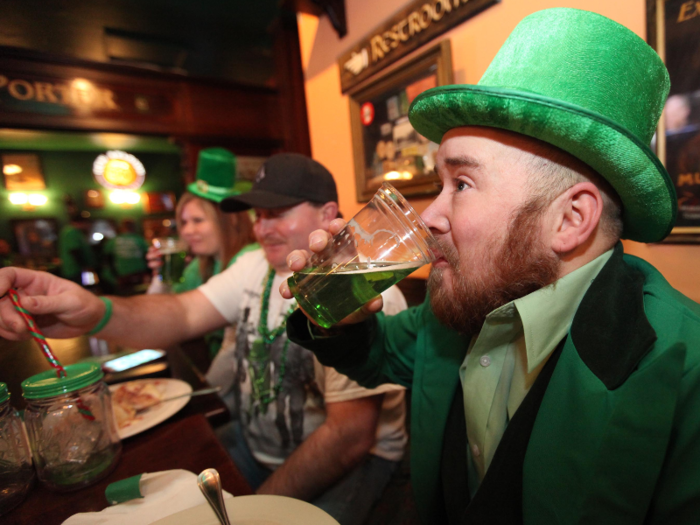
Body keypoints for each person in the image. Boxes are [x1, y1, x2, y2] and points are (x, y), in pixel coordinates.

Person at [281, 8, 700, 525]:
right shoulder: (468, 299)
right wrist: (343, 321)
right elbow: (381, 355)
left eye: (461, 184)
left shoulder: (686, 373)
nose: (430, 215)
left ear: (571, 219)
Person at [0, 153, 408, 525]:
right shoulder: (254, 266)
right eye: (257, 214)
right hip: (253, 444)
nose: (260, 227)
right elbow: (182, 311)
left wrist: (252, 509)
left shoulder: (366, 293)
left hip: (356, 460)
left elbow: (349, 438)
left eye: (276, 213)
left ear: (328, 213)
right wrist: (93, 311)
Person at [147, 147, 258, 358]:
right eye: (183, 222)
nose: (187, 231)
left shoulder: (248, 260)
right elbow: (159, 319)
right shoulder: (199, 265)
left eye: (198, 221)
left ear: (230, 220)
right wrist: (161, 278)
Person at [101, 219, 150, 294]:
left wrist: (114, 276)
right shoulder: (140, 240)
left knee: (124, 298)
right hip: (138, 274)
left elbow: (108, 260)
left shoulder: (113, 241)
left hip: (121, 276)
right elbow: (147, 257)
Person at [58, 196, 96, 284]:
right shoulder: (71, 232)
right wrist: (85, 265)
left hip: (77, 269)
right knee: (80, 290)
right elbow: (75, 251)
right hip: (74, 270)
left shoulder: (76, 232)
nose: (88, 226)